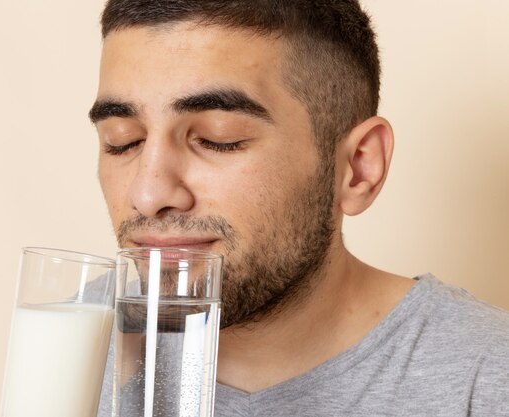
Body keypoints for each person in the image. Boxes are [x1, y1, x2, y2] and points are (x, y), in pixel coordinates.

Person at [90, 1, 509, 415]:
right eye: (122, 140)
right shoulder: (70, 338)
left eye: (220, 138)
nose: (147, 194)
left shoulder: (488, 377)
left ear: (358, 167)